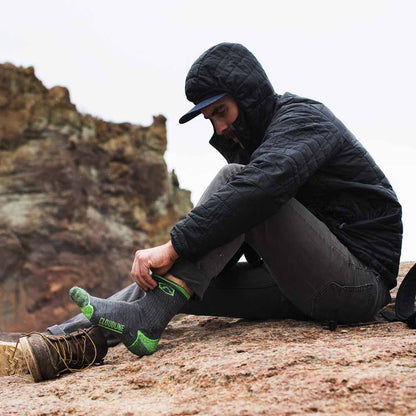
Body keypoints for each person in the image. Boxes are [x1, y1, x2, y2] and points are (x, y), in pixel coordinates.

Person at [0, 42, 402, 381]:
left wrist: (174, 247)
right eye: (210, 120)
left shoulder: (304, 120)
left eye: (221, 112)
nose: (218, 129)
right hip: (302, 285)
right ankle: (64, 342)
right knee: (176, 288)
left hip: (356, 285)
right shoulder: (261, 145)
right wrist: (184, 267)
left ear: (248, 96)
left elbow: (257, 190)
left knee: (234, 181)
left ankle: (144, 318)